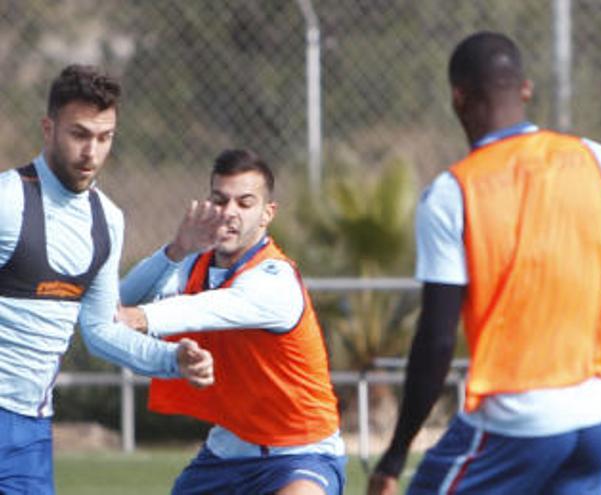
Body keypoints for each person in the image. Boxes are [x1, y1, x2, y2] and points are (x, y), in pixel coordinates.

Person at [368, 31, 601, 495]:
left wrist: (393, 456)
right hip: (597, 413)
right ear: (525, 89)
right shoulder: (595, 159)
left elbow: (435, 341)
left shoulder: (454, 193)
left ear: (458, 97)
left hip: (516, 416)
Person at [0, 65, 214, 494]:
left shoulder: (107, 220)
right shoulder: (7, 201)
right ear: (48, 128)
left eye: (104, 138)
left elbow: (100, 330)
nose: (91, 152)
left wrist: (172, 359)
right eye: (79, 134)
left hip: (29, 431)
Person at [116, 149, 346, 495]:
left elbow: (207, 308)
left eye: (245, 203)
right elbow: (123, 298)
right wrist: (176, 248)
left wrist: (140, 318)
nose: (229, 213)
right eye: (220, 200)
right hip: (227, 451)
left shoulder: (275, 278)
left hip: (300, 451)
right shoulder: (193, 262)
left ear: (268, 213)